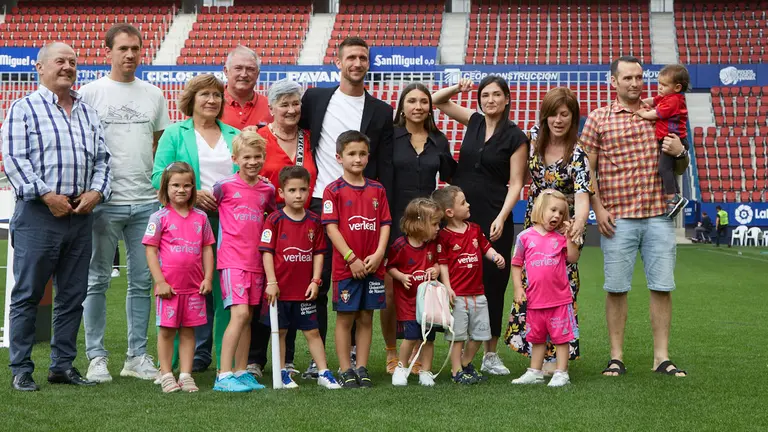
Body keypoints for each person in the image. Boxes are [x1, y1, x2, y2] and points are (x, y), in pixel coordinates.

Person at [2, 42, 111, 391]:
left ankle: (62, 366)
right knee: (28, 294)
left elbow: (103, 160)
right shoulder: (23, 109)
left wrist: (96, 192)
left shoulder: (87, 111)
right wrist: (47, 196)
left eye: (73, 62)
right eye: (60, 61)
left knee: (72, 295)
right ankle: (21, 368)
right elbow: (15, 160)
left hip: (80, 214)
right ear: (40, 67)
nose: (67, 67)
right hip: (39, 214)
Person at [581, 56, 689, 377]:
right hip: (617, 218)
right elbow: (588, 169)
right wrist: (597, 209)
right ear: (613, 81)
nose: (634, 83)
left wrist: (680, 152)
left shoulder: (661, 115)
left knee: (662, 286)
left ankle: (661, 357)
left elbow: (681, 166)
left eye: (639, 77)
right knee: (616, 289)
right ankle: (617, 357)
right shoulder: (598, 119)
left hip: (658, 215)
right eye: (626, 77)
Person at [80, 23, 170, 383]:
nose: (130, 55)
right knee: (96, 280)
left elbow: (160, 146)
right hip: (102, 202)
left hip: (146, 204)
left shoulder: (154, 94)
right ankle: (96, 356)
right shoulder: (90, 93)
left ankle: (136, 356)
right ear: (108, 52)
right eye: (123, 49)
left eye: (135, 48)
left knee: (142, 283)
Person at [299, 36, 394, 377]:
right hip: (318, 204)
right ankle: (317, 357)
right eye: (350, 57)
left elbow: (383, 163)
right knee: (320, 281)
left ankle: (353, 357)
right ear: (337, 62)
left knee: (357, 283)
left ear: (369, 64)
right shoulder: (315, 98)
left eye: (363, 58)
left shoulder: (382, 110)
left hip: (360, 210)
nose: (357, 63)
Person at [432, 76, 528, 376]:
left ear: (507, 99)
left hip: (494, 213)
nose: (490, 100)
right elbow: (435, 100)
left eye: (497, 95)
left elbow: (517, 182)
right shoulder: (473, 120)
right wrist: (458, 89)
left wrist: (501, 216)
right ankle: (458, 346)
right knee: (459, 278)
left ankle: (490, 353)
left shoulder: (516, 136)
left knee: (493, 283)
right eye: (485, 95)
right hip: (459, 211)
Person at [153, 73, 240, 372]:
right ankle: (176, 364)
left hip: (231, 225)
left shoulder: (234, 134)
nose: (212, 100)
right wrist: (193, 194)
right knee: (187, 291)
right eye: (205, 94)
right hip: (188, 224)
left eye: (217, 95)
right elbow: (157, 176)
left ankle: (224, 363)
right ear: (192, 99)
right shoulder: (175, 133)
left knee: (225, 292)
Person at [505, 87, 592, 374]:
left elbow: (582, 195)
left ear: (573, 118)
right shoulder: (531, 138)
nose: (558, 120)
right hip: (535, 222)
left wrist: (577, 226)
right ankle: (535, 360)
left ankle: (559, 360)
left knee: (563, 287)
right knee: (533, 286)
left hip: (563, 224)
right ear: (544, 116)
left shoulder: (578, 154)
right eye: (553, 114)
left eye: (564, 114)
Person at [383, 83, 456, 373]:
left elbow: (450, 176)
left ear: (430, 107)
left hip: (426, 227)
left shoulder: (439, 139)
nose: (418, 106)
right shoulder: (389, 137)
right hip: (392, 221)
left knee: (422, 289)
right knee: (391, 289)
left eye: (424, 101)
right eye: (411, 101)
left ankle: (414, 351)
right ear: (402, 106)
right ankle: (391, 351)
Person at [249, 78, 318, 378]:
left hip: (303, 224)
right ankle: (255, 359)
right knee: (266, 290)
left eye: (295, 103)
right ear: (272, 107)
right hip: (267, 222)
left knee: (293, 290)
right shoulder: (259, 138)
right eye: (284, 104)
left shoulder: (310, 137)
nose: (291, 110)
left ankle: (286, 360)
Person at [260, 166, 341, 390]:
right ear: (281, 192)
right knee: (282, 332)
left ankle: (324, 372)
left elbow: (318, 253)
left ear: (309, 191)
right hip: (280, 290)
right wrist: (272, 283)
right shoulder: (274, 220)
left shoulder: (314, 221)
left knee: (312, 331)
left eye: (303, 190)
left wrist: (316, 280)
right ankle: (282, 372)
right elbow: (267, 253)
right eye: (292, 190)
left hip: (304, 290)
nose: (298, 195)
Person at [322, 130, 391, 388]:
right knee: (346, 317)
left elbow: (385, 223)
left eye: (362, 154)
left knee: (366, 316)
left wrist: (379, 253)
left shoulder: (377, 189)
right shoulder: (333, 191)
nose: (357, 159)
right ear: (339, 157)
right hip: (346, 267)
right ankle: (345, 368)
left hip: (373, 265)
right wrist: (351, 258)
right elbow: (331, 228)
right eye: (352, 154)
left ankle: (361, 367)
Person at [212, 129, 275, 393]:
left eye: (257, 156)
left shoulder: (268, 189)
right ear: (235, 158)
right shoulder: (223, 187)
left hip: (256, 263)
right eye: (246, 157)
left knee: (248, 317)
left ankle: (241, 371)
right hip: (231, 261)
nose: (252, 162)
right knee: (237, 314)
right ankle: (223, 374)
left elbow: (271, 217)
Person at [143, 162, 215, 393]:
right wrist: (160, 281)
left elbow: (206, 249)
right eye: (175, 185)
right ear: (166, 187)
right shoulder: (159, 217)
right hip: (169, 288)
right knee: (166, 331)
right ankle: (165, 374)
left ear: (193, 187)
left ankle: (185, 374)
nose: (181, 190)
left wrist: (208, 278)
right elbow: (151, 251)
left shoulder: (201, 218)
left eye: (186, 185)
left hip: (194, 288)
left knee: (188, 331)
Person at [432, 186, 506, 385]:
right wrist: (447, 286)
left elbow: (486, 247)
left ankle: (465, 363)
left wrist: (496, 256)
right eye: (463, 202)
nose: (468, 204)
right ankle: (457, 371)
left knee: (482, 333)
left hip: (478, 294)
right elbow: (443, 263)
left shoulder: (474, 229)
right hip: (459, 296)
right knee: (458, 337)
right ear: (450, 212)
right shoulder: (444, 236)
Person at [511, 190, 581, 388]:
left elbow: (573, 258)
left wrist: (570, 237)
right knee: (537, 337)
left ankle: (561, 372)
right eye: (553, 210)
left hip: (559, 300)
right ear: (540, 209)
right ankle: (535, 371)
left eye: (561, 213)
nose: (557, 216)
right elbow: (516, 264)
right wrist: (518, 288)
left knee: (561, 338)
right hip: (535, 300)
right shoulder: (524, 237)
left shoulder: (560, 238)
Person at [387, 198, 442, 387]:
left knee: (428, 339)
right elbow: (390, 267)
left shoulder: (432, 246)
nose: (437, 228)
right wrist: (401, 277)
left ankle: (425, 371)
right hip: (408, 303)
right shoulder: (400, 245)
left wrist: (436, 270)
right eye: (434, 224)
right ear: (419, 223)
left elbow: (438, 263)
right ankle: (401, 369)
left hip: (429, 305)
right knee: (410, 337)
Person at [636, 64, 691, 218]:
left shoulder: (674, 100)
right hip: (667, 139)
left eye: (664, 85)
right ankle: (675, 196)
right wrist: (639, 102)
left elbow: (656, 114)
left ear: (677, 87)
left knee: (663, 169)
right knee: (666, 168)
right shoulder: (667, 97)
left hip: (673, 140)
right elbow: (653, 100)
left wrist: (641, 112)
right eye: (659, 83)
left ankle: (672, 197)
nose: (660, 87)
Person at [221, 45, 272, 129]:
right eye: (238, 68)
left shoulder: (271, 107)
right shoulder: (210, 104)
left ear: (258, 73)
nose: (244, 74)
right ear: (226, 71)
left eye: (250, 69)